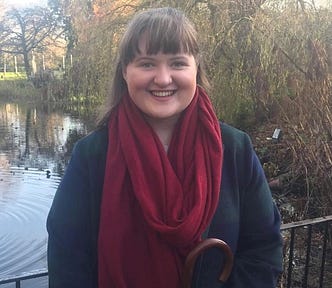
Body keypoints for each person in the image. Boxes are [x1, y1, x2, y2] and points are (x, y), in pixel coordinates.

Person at [47, 7, 283, 288]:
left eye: (177, 63)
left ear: (196, 68)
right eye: (147, 64)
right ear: (125, 71)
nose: (162, 78)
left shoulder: (235, 148)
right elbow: (67, 262)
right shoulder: (91, 155)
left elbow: (263, 249)